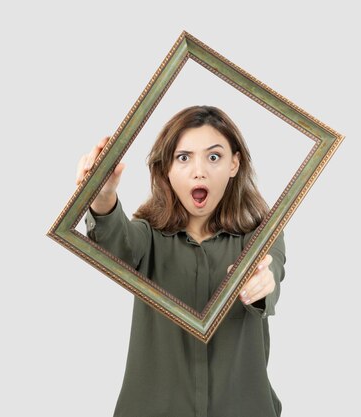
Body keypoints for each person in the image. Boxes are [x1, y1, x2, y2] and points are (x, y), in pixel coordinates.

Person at [75, 105, 286, 417]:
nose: (199, 171)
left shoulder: (259, 236)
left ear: (234, 163)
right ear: (167, 169)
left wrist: (262, 284)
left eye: (213, 156)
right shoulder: (147, 237)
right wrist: (102, 196)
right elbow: (114, 245)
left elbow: (272, 270)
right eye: (183, 157)